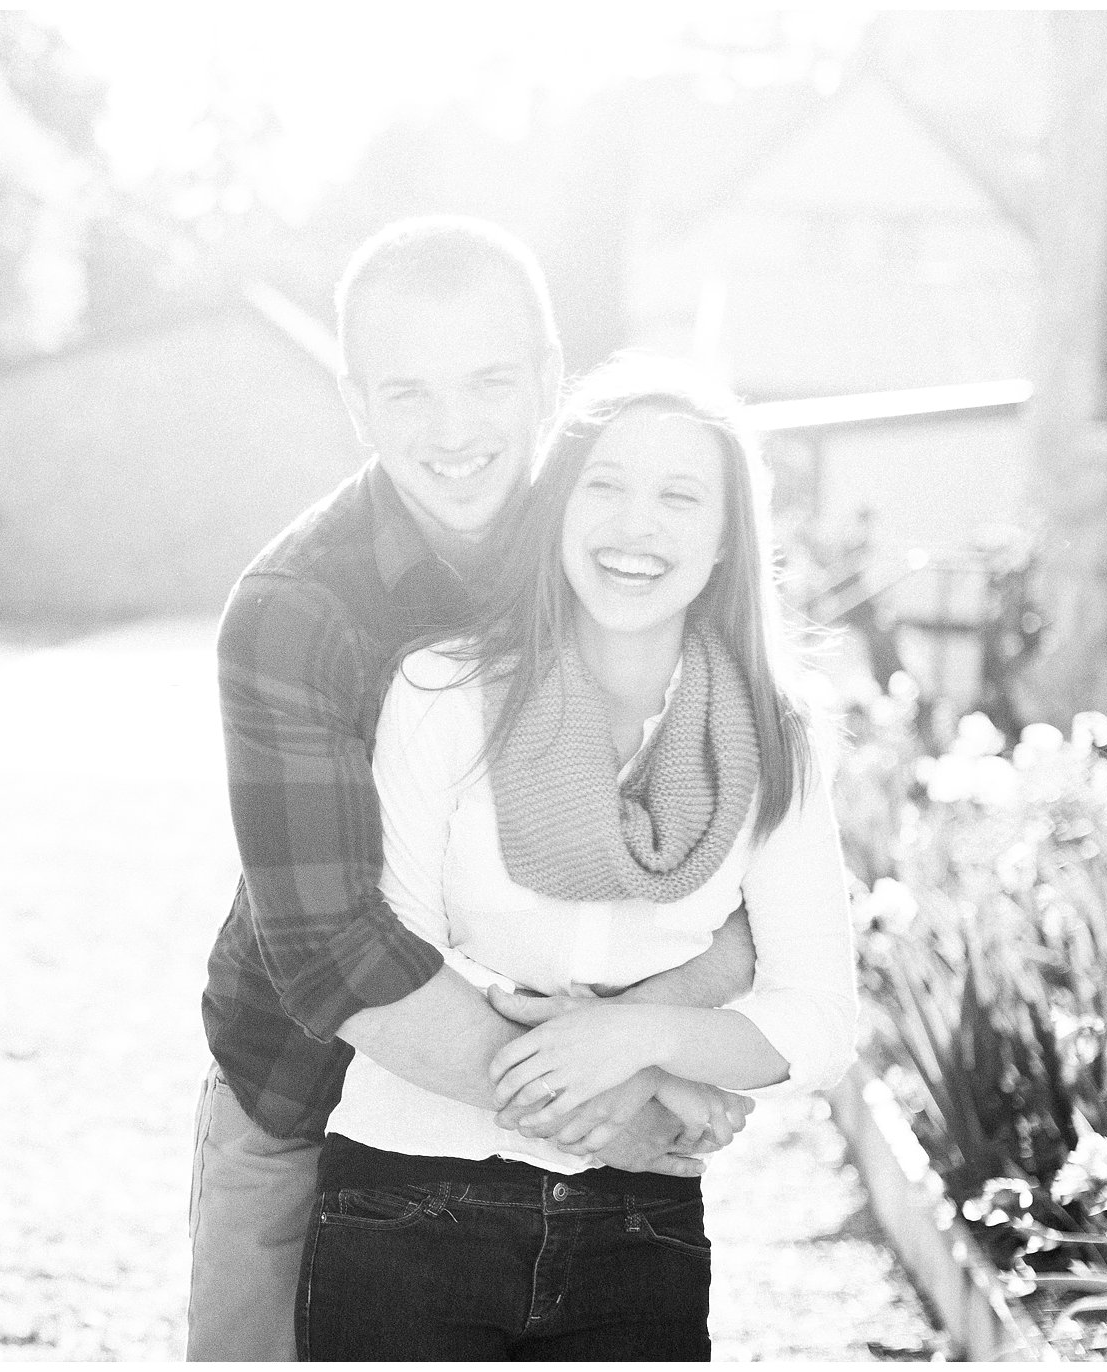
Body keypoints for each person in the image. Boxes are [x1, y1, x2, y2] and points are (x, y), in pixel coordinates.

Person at [188, 218, 762, 1362]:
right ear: (355, 404)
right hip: (306, 1084)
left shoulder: (616, 536)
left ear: (549, 380)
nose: (454, 433)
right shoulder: (292, 607)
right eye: (408, 394)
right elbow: (332, 949)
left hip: (569, 1085)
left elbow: (729, 840)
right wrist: (614, 1104)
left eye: (489, 382)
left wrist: (639, 1046)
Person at [296, 355, 860, 1360]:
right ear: (555, 508)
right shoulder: (443, 691)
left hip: (638, 1233)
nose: (633, 526)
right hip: (407, 1198)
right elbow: (390, 967)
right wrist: (648, 1093)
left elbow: (816, 1018)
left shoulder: (776, 737)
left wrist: (633, 1041)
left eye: (677, 496)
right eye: (603, 484)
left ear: (727, 539)